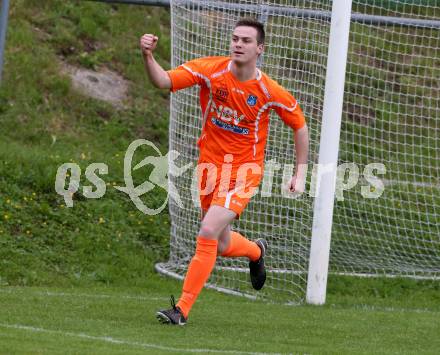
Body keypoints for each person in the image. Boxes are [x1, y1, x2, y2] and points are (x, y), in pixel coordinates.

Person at [140, 18, 309, 325]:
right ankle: (256, 252)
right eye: (235, 39)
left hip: (244, 173)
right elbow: (164, 81)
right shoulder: (211, 70)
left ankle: (181, 309)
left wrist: (300, 172)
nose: (238, 44)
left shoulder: (268, 90)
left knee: (206, 230)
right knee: (222, 244)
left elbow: (299, 125)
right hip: (209, 169)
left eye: (245, 40)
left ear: (260, 48)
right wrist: (148, 57)